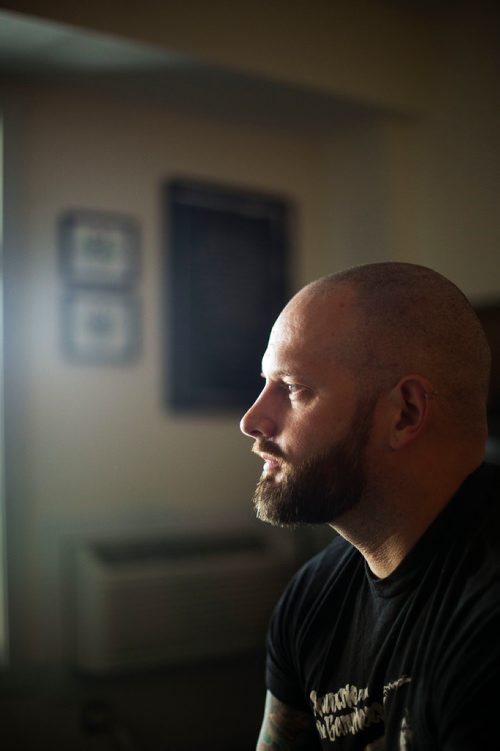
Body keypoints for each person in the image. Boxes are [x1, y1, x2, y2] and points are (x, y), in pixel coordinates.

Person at [239, 262, 500, 750]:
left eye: (293, 389)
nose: (252, 420)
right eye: (264, 384)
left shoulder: (484, 616)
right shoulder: (312, 598)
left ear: (405, 414)